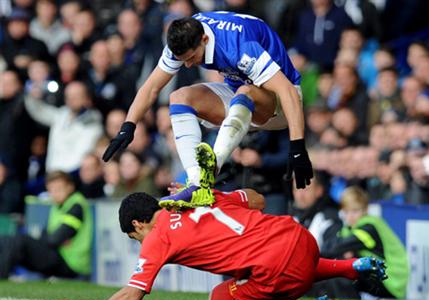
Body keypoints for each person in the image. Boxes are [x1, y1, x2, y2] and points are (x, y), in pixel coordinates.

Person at [50, 143, 386, 300]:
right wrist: (217, 196)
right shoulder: (196, 198)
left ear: (138, 224)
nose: (138, 242)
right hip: (301, 239)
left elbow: (132, 293)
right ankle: (348, 267)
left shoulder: (157, 236)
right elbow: (258, 200)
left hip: (281, 272)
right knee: (249, 265)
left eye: (134, 236)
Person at [102, 12, 313, 209]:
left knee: (245, 90)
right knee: (180, 97)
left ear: (204, 40)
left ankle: (210, 170)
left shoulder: (238, 45)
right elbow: (151, 87)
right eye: (183, 60)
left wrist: (297, 147)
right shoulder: (184, 35)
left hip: (281, 103)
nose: (188, 65)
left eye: (192, 58)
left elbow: (288, 92)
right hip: (242, 95)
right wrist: (128, 125)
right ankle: (196, 183)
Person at [0, 171, 92, 279]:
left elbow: (55, 239)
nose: (54, 193)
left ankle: (1, 276)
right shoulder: (57, 205)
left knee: (20, 241)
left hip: (71, 264)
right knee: (6, 239)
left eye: (59, 189)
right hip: (59, 255)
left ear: (70, 187)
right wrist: (48, 237)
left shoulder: (76, 205)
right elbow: (48, 235)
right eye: (51, 190)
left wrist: (47, 237)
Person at [323, 186, 408, 299]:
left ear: (366, 210)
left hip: (392, 279)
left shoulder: (369, 227)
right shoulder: (349, 228)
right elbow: (337, 247)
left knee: (342, 275)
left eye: (355, 211)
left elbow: (335, 247)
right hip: (381, 275)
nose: (350, 216)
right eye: (346, 211)